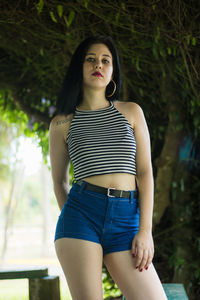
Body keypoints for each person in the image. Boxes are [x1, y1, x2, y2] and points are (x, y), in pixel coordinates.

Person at [49, 35, 168, 300]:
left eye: (106, 60)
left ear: (113, 71)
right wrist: (76, 221)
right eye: (91, 59)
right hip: (81, 217)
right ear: (79, 67)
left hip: (127, 220)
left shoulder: (131, 112)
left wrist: (145, 231)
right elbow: (59, 182)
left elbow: (145, 173)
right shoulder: (61, 124)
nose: (98, 65)